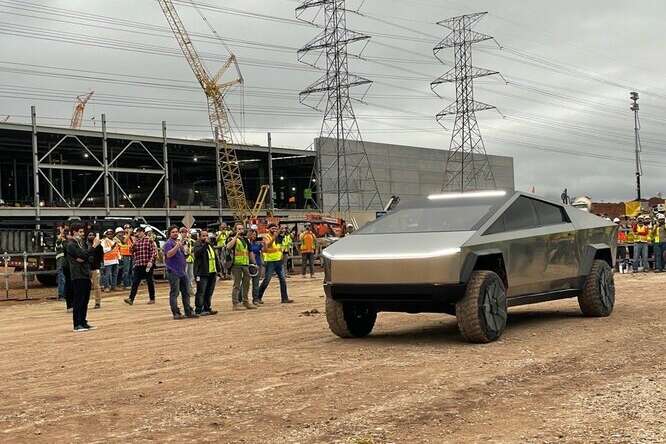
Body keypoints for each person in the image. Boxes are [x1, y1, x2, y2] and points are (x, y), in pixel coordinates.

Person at [66, 223, 100, 332]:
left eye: (82, 232)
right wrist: (92, 248)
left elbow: (88, 257)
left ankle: (83, 322)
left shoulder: (82, 243)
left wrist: (84, 256)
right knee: (78, 299)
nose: (82, 234)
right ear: (74, 232)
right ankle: (77, 324)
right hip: (77, 274)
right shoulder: (71, 244)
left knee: (85, 300)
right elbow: (83, 255)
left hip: (86, 274)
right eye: (80, 232)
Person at [164, 226, 198, 320]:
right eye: (173, 232)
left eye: (176, 232)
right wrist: (177, 246)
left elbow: (184, 256)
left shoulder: (178, 243)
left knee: (186, 292)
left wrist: (185, 250)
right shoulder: (169, 243)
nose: (175, 233)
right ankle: (176, 313)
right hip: (173, 271)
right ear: (169, 234)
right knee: (174, 293)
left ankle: (188, 311)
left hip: (182, 271)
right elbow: (169, 254)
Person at [257, 224, 293, 304]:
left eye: (275, 229)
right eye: (272, 228)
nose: (274, 230)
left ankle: (284, 298)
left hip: (279, 261)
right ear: (268, 229)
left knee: (283, 280)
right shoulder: (266, 237)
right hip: (270, 261)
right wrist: (275, 236)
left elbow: (280, 247)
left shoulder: (278, 237)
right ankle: (258, 297)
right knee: (267, 280)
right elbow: (268, 245)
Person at [226, 223, 257, 310]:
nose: (240, 231)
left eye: (242, 229)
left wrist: (254, 263)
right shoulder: (232, 239)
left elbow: (250, 251)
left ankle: (246, 302)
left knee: (246, 284)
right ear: (235, 230)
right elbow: (228, 247)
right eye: (238, 229)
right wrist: (235, 236)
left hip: (245, 264)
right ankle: (235, 304)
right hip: (236, 265)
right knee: (237, 285)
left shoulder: (246, 240)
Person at [124, 226, 157, 305]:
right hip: (138, 264)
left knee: (149, 281)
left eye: (139, 232)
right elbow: (132, 251)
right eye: (136, 232)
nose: (137, 234)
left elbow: (153, 252)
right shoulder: (136, 242)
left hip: (147, 264)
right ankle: (131, 299)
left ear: (142, 232)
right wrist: (132, 246)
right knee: (135, 282)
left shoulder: (149, 240)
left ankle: (152, 298)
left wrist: (151, 261)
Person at [193, 228, 221, 315]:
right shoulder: (198, 244)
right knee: (201, 291)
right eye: (203, 236)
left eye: (206, 235)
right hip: (202, 272)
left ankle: (207, 308)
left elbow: (215, 257)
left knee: (209, 291)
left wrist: (218, 269)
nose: (205, 237)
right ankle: (198, 309)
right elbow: (198, 253)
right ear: (199, 237)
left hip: (212, 272)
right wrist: (205, 244)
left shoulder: (210, 245)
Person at [86, 231, 104, 309]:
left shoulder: (99, 246)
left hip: (95, 268)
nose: (91, 236)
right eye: (89, 235)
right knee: (86, 287)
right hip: (86, 268)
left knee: (96, 286)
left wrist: (99, 266)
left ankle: (97, 302)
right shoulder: (85, 245)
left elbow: (101, 257)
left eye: (92, 235)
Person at [248, 229, 263, 304]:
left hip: (257, 264)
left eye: (255, 235)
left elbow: (262, 251)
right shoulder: (247, 243)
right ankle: (241, 299)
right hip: (249, 265)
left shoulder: (258, 244)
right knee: (245, 283)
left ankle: (255, 299)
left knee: (256, 283)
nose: (254, 236)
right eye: (252, 234)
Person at [117, 225, 134, 289]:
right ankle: (126, 284)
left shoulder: (131, 237)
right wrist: (129, 234)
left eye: (129, 228)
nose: (127, 229)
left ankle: (130, 283)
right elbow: (124, 242)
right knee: (126, 270)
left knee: (130, 270)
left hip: (130, 254)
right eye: (126, 228)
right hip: (125, 255)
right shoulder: (122, 236)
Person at [55, 225, 67, 301]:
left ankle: (65, 294)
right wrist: (61, 234)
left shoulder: (66, 240)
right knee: (62, 279)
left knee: (65, 279)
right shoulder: (58, 240)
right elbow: (58, 243)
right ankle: (61, 295)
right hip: (61, 263)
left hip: (66, 263)